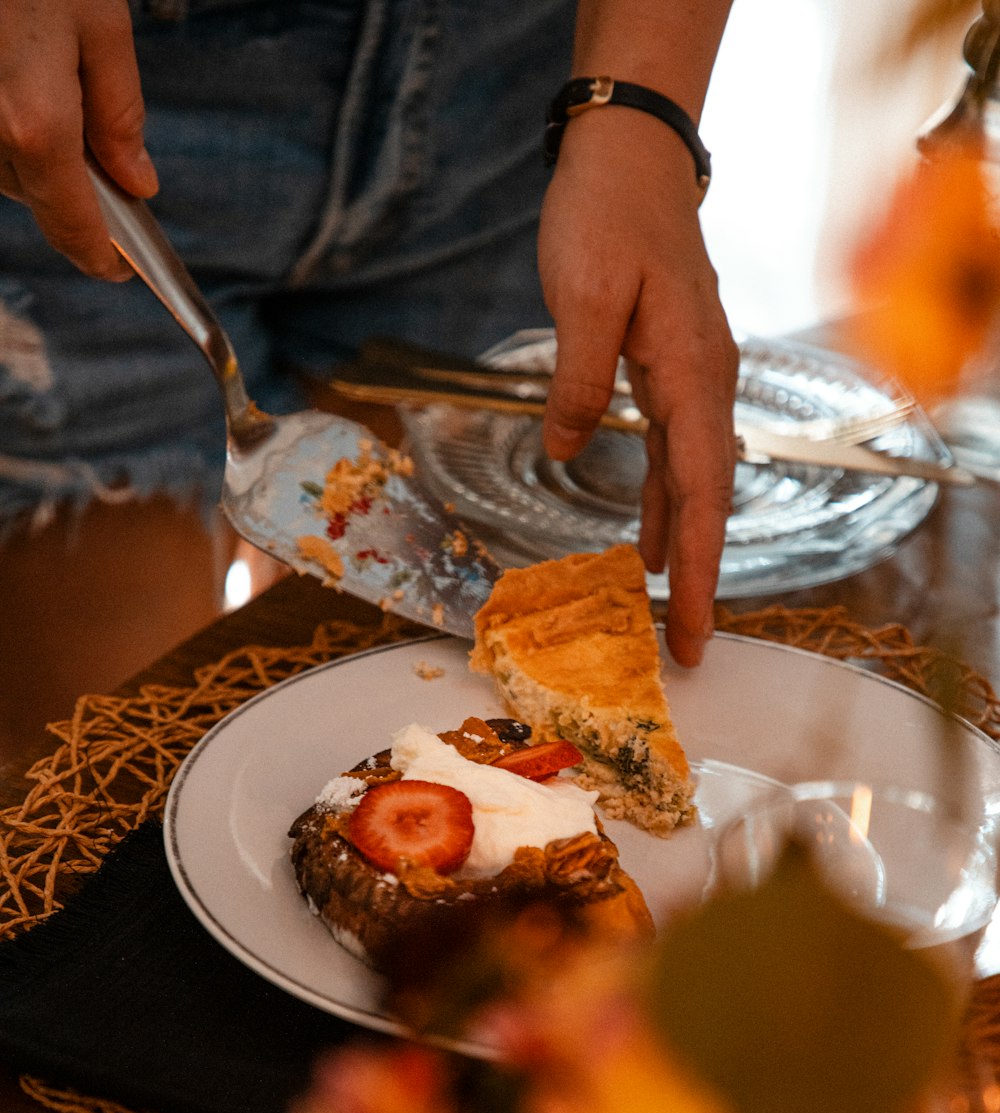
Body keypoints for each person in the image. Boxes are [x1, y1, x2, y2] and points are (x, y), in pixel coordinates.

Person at [0, 0, 736, 761]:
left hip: (510, 106)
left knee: (376, 725)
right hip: (99, 87)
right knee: (106, 785)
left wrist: (644, 109)